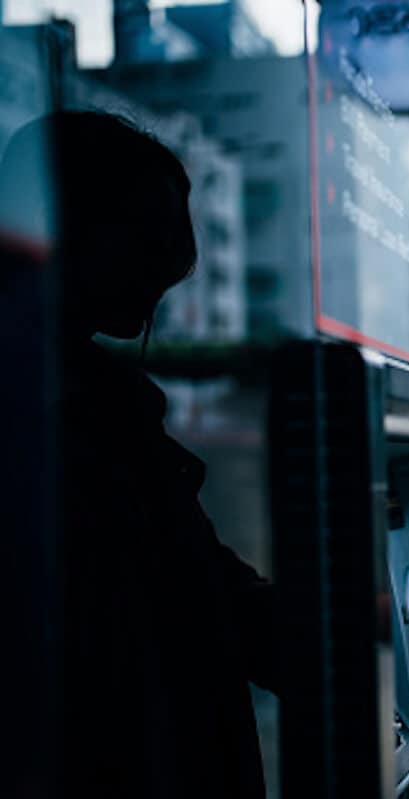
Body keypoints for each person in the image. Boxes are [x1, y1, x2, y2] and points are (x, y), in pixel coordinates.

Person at [0, 111, 280, 798]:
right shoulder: (72, 407)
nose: (165, 274)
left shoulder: (103, 400)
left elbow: (204, 582)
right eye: (148, 242)